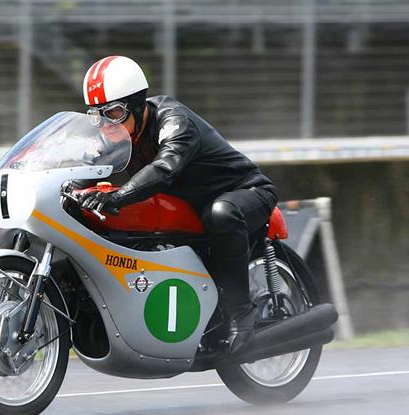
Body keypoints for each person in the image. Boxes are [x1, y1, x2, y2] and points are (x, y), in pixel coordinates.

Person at [78, 55, 279, 353]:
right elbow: (88, 165)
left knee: (221, 214)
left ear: (136, 104)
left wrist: (118, 196)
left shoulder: (174, 121)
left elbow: (165, 168)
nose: (106, 124)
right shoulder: (116, 132)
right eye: (98, 116)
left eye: (115, 112)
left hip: (243, 190)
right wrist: (71, 186)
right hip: (188, 205)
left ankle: (241, 316)